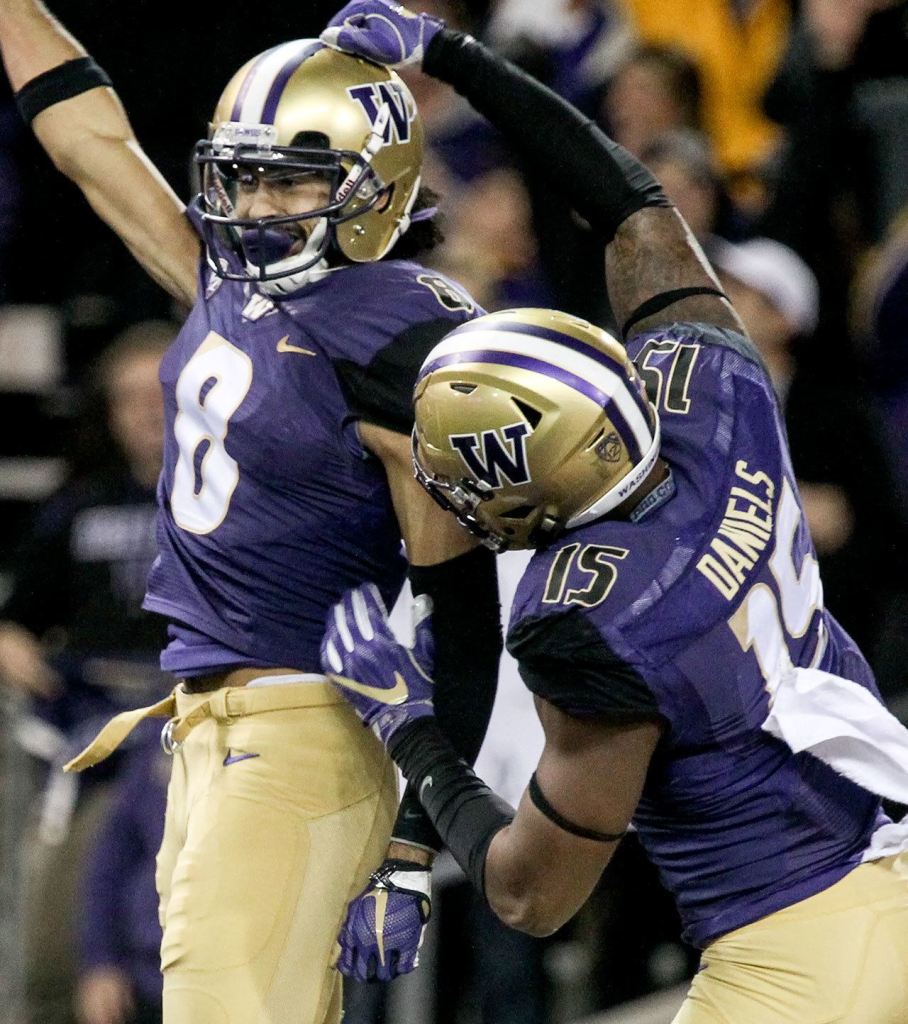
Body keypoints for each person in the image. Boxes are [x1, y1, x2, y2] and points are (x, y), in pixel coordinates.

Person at [318, 4, 908, 1021]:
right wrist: (455, 55)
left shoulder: (587, 615)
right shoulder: (718, 398)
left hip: (799, 952)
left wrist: (407, 725)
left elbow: (528, 890)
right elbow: (633, 207)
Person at [0, 5, 502, 1023]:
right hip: (204, 725)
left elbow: (462, 618)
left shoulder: (400, 343)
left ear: (375, 187)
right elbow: (88, 140)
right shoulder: (224, 281)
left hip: (307, 725)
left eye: (293, 177)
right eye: (246, 173)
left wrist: (414, 846)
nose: (260, 202)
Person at [0, 322, 171, 1024]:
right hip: (91, 735)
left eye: (162, 392)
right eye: (128, 397)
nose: (148, 411)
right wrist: (14, 649)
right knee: (56, 933)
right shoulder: (80, 506)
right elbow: (16, 620)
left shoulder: (242, 507)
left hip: (201, 736)